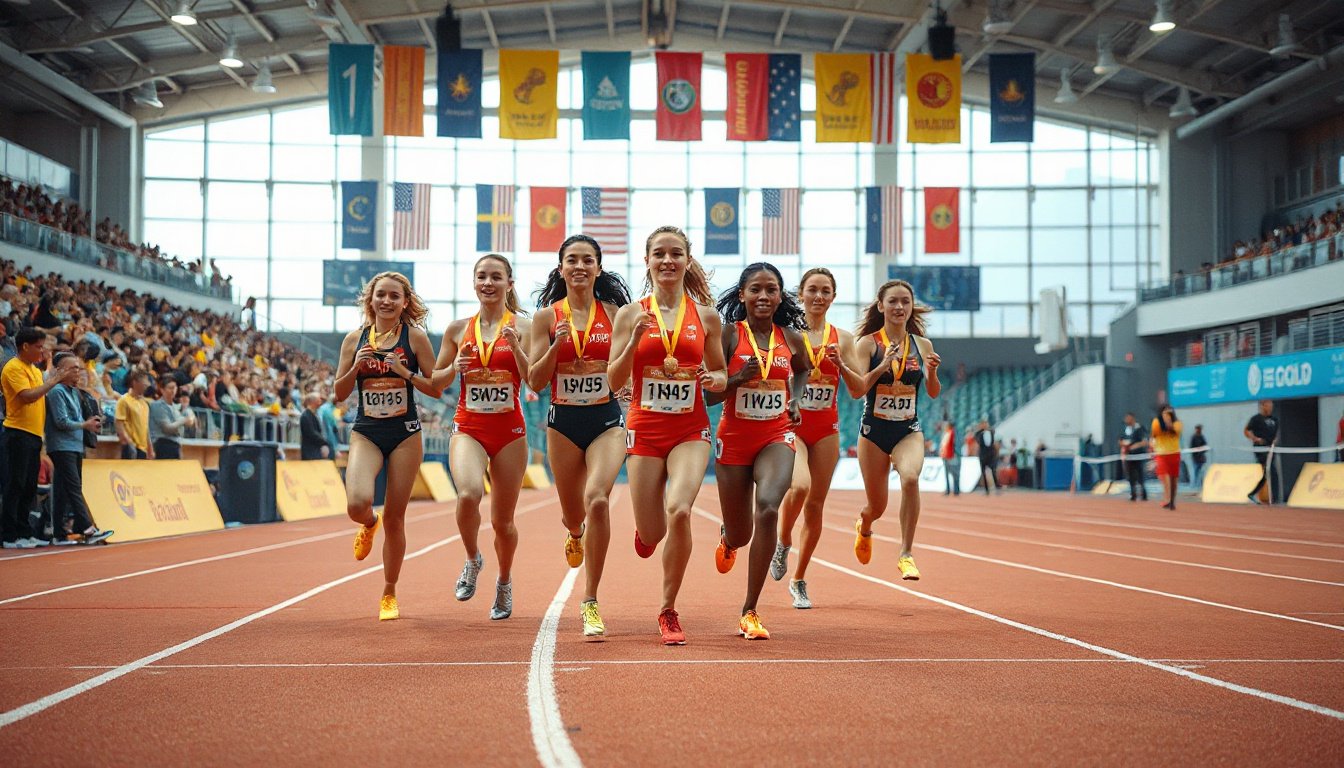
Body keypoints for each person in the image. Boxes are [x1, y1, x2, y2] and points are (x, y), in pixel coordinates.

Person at [608, 226, 726, 645]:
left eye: (676, 253)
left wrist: (713, 378)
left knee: (680, 510)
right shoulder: (630, 313)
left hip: (690, 429)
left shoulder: (707, 317)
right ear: (648, 261)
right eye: (659, 253)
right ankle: (646, 534)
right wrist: (634, 339)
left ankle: (668, 609)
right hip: (644, 428)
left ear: (687, 261)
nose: (668, 260)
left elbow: (721, 376)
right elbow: (613, 378)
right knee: (654, 532)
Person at [525, 234, 632, 639]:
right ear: (561, 268)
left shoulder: (615, 313)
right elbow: (534, 379)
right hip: (563, 422)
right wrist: (556, 347)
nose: (580, 267)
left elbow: (626, 364)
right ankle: (574, 533)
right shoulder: (545, 318)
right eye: (572, 260)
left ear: (599, 268)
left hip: (605, 418)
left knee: (598, 498)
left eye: (588, 260)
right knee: (574, 513)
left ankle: (590, 600)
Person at [706, 263, 809, 640]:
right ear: (742, 295)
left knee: (768, 507)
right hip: (734, 437)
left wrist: (795, 400)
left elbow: (803, 370)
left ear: (780, 296)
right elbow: (709, 394)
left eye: (771, 290)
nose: (763, 296)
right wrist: (737, 379)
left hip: (776, 435)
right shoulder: (730, 336)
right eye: (755, 290)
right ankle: (728, 537)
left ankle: (750, 609)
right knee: (741, 533)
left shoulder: (791, 339)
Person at [333, 271, 440, 621]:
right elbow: (338, 392)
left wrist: (405, 373)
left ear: (405, 302)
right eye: (381, 295)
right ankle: (367, 523)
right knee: (356, 503)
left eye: (395, 296)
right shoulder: (354, 339)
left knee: (396, 517)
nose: (387, 301)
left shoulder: (416, 339)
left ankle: (389, 591)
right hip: (366, 431)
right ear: (371, 299)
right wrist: (356, 368)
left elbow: (436, 387)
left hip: (405, 433)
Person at [433, 255, 532, 621]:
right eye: (481, 277)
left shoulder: (525, 326)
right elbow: (435, 381)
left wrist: (517, 346)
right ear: (474, 283)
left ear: (509, 282)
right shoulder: (458, 329)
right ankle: (473, 558)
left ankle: (504, 582)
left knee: (503, 522)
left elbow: (535, 379)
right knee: (468, 494)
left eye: (495, 277)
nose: (488, 283)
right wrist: (451, 368)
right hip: (469, 427)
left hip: (510, 432)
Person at [774, 267, 859, 609]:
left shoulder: (844, 339)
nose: (819, 296)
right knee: (800, 486)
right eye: (813, 290)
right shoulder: (787, 334)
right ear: (801, 294)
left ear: (833, 297)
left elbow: (856, 390)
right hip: (791, 425)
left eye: (826, 291)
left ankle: (799, 579)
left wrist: (844, 365)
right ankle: (782, 543)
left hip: (826, 428)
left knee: (815, 506)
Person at [847, 279, 942, 580]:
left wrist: (934, 373)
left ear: (911, 307)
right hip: (873, 434)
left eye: (905, 301)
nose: (899, 307)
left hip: (907, 430)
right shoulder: (868, 344)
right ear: (881, 306)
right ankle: (864, 523)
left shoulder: (922, 345)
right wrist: (883, 363)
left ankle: (906, 553)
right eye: (893, 301)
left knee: (911, 478)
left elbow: (934, 392)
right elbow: (860, 387)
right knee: (877, 507)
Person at [3, 329, 78, 548]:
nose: (42, 351)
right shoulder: (13, 367)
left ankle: (24, 532)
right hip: (17, 432)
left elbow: (40, 395)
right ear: (24, 346)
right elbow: (28, 396)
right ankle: (9, 535)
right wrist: (54, 380)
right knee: (14, 485)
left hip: (34, 435)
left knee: (28, 486)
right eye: (38, 346)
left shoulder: (34, 370)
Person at [44, 351, 111, 545]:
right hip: (61, 446)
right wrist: (85, 424)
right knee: (74, 487)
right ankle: (88, 529)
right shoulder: (56, 391)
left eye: (79, 368)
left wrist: (91, 423)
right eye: (73, 368)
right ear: (60, 370)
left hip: (74, 445)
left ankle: (59, 533)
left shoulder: (74, 392)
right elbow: (61, 421)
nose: (78, 372)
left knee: (64, 489)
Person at [148, 377, 193, 460]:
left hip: (176, 443)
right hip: (163, 444)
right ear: (162, 390)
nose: (173, 391)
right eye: (170, 388)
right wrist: (184, 420)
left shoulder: (174, 407)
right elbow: (167, 428)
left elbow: (184, 425)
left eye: (174, 387)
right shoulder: (157, 405)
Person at [1245, 399, 1278, 504]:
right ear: (1263, 406)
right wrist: (1255, 439)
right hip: (1260, 449)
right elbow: (1247, 430)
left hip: (1270, 449)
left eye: (1271, 405)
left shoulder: (1275, 420)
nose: (1270, 408)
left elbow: (1276, 433)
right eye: (1268, 405)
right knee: (1271, 471)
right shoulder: (1255, 419)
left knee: (1267, 473)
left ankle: (1252, 493)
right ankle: (1274, 498)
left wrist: (1275, 441)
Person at [114, 371, 153, 459]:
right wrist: (129, 443)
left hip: (143, 449)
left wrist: (150, 448)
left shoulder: (144, 404)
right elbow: (119, 423)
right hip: (130, 447)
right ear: (135, 383)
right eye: (144, 383)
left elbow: (146, 428)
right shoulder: (124, 400)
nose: (147, 386)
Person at [1151, 405, 1183, 510]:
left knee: (1174, 478)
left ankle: (1172, 501)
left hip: (1174, 453)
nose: (1168, 413)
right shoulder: (1156, 422)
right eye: (1165, 412)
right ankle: (1167, 498)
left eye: (1170, 411)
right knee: (1163, 476)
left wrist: (1169, 421)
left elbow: (1174, 431)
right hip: (1161, 454)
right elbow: (1156, 433)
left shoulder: (1178, 423)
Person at [1119, 413, 1148, 501]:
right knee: (1130, 476)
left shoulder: (1140, 428)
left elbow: (1144, 441)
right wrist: (1124, 445)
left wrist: (1132, 447)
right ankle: (1133, 494)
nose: (1126, 420)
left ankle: (1144, 494)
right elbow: (1120, 440)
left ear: (1132, 418)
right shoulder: (1125, 429)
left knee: (1140, 475)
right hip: (1129, 456)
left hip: (1138, 456)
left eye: (1128, 418)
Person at [298, 392, 327, 460]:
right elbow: (311, 433)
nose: (320, 402)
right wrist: (324, 442)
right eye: (318, 399)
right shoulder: (305, 416)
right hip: (309, 452)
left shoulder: (313, 415)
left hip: (315, 450)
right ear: (312, 401)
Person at [974, 419, 1000, 495]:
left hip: (991, 455)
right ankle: (986, 490)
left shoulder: (991, 432)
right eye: (983, 424)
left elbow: (994, 442)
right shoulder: (979, 434)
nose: (985, 425)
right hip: (982, 455)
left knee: (993, 471)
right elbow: (977, 438)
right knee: (983, 472)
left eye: (986, 423)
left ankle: (997, 488)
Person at [940, 421, 960, 495]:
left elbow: (955, 444)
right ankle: (948, 490)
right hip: (946, 456)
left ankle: (956, 490)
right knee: (947, 474)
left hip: (952, 456)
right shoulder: (946, 433)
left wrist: (955, 454)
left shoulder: (953, 433)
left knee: (954, 473)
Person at [1189, 424, 1208, 489]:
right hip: (1196, 458)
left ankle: (1201, 484)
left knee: (1201, 471)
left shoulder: (1202, 437)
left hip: (1201, 458)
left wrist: (1201, 452)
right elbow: (1191, 447)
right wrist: (1196, 453)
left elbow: (1205, 445)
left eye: (1199, 429)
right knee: (1196, 471)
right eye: (1197, 429)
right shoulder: (1193, 437)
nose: (1198, 430)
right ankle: (1195, 485)